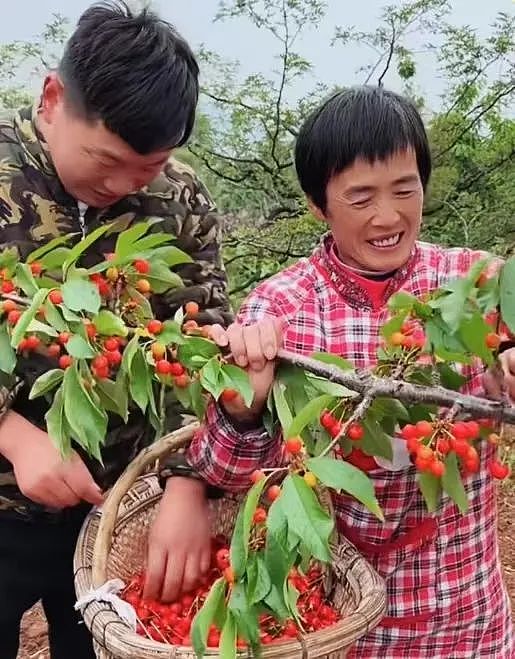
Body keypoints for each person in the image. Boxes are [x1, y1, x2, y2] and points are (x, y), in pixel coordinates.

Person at [160, 87, 515, 657]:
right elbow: (227, 475)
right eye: (360, 197)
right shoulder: (278, 312)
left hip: (464, 612)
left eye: (405, 189)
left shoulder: (476, 283)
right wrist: (242, 406)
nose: (388, 215)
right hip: (340, 624)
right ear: (318, 205)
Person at [0, 2, 231, 657]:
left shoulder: (178, 202)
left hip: (118, 509)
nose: (124, 184)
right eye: (107, 159)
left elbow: (204, 348)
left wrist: (187, 482)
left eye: (149, 165)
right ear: (53, 98)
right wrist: (14, 437)